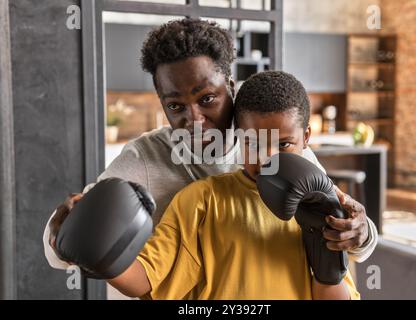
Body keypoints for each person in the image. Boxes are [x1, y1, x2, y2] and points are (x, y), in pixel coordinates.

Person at [43, 18, 377, 271]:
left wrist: (359, 233)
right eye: (175, 106)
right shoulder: (145, 158)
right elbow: (64, 247)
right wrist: (60, 235)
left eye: (207, 99)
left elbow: (355, 235)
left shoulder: (275, 147)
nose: (195, 119)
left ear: (230, 86)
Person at [106, 71, 360, 299]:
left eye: (283, 144)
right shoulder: (202, 200)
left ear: (306, 137)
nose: (268, 159)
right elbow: (146, 278)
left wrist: (327, 265)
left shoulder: (320, 201)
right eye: (254, 144)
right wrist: (101, 254)